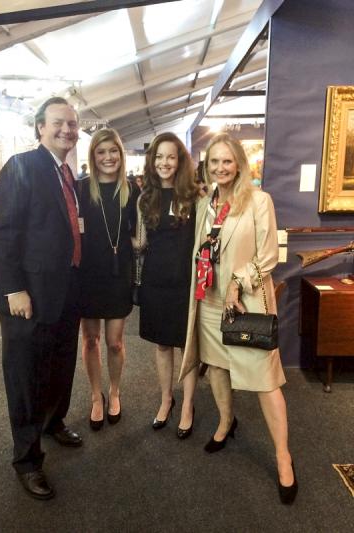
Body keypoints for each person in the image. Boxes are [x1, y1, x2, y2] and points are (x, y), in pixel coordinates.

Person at [179, 132, 297, 504]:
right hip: (209, 302)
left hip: (246, 305)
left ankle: (283, 456)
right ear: (207, 165)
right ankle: (226, 422)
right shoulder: (204, 205)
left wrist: (238, 282)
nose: (220, 168)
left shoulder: (259, 201)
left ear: (239, 164)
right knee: (215, 367)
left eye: (227, 161)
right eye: (214, 162)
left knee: (265, 381)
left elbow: (268, 255)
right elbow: (201, 251)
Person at [0, 97, 83, 501]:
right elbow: (3, 232)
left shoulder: (67, 174)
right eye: (58, 123)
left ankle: (53, 422)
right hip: (27, 298)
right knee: (25, 378)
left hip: (66, 294)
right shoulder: (22, 167)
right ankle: (27, 461)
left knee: (60, 367)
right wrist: (14, 289)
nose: (67, 130)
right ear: (40, 128)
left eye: (72, 124)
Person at [136, 132, 199, 438]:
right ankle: (166, 399)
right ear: (152, 161)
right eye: (159, 157)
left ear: (180, 160)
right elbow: (143, 243)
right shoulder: (145, 197)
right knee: (162, 344)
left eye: (171, 157)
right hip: (155, 280)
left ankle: (188, 404)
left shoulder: (194, 195)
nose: (164, 162)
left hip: (186, 282)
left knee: (187, 346)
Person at [79, 128, 139, 431]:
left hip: (118, 275)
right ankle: (95, 395)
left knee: (115, 343)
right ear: (93, 156)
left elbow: (139, 234)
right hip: (87, 276)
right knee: (90, 340)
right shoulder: (79, 189)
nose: (107, 157)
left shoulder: (131, 190)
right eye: (101, 152)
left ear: (121, 154)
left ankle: (114, 391)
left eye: (112, 151)